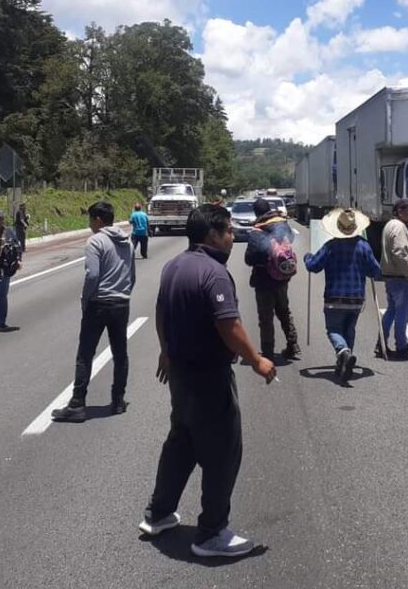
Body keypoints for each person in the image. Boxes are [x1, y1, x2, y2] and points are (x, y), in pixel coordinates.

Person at [139, 204, 276, 558]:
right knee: (223, 451)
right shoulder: (214, 273)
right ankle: (212, 533)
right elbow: (228, 325)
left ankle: (159, 513)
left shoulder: (174, 265)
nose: (232, 236)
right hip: (209, 377)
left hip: (181, 375)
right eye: (228, 230)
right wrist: (257, 360)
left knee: (181, 443)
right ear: (212, 235)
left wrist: (165, 351)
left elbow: (161, 311)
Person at [52, 201, 135, 421]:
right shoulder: (127, 242)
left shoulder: (95, 241)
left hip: (99, 303)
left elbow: (92, 275)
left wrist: (86, 299)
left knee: (86, 354)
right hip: (121, 302)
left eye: (90, 219)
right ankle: (118, 400)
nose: (89, 224)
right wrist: (123, 293)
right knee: (120, 353)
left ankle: (77, 403)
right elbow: (132, 275)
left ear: (98, 220)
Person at [303, 208, 381, 383]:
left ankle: (343, 352)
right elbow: (375, 271)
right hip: (356, 298)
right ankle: (344, 362)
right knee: (349, 329)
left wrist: (307, 257)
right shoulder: (363, 246)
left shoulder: (331, 246)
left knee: (333, 329)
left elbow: (313, 266)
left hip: (334, 297)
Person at [244, 198, 301, 361]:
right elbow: (291, 240)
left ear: (256, 212)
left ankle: (268, 352)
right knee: (284, 312)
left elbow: (250, 258)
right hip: (282, 279)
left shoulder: (257, 231)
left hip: (263, 281)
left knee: (266, 318)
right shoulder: (282, 224)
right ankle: (293, 346)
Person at [380, 199, 408, 360]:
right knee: (402, 314)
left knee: (392, 310)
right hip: (400, 277)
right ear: (399, 212)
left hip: (393, 276)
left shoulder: (391, 225)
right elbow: (399, 251)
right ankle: (402, 347)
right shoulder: (398, 227)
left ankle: (381, 343)